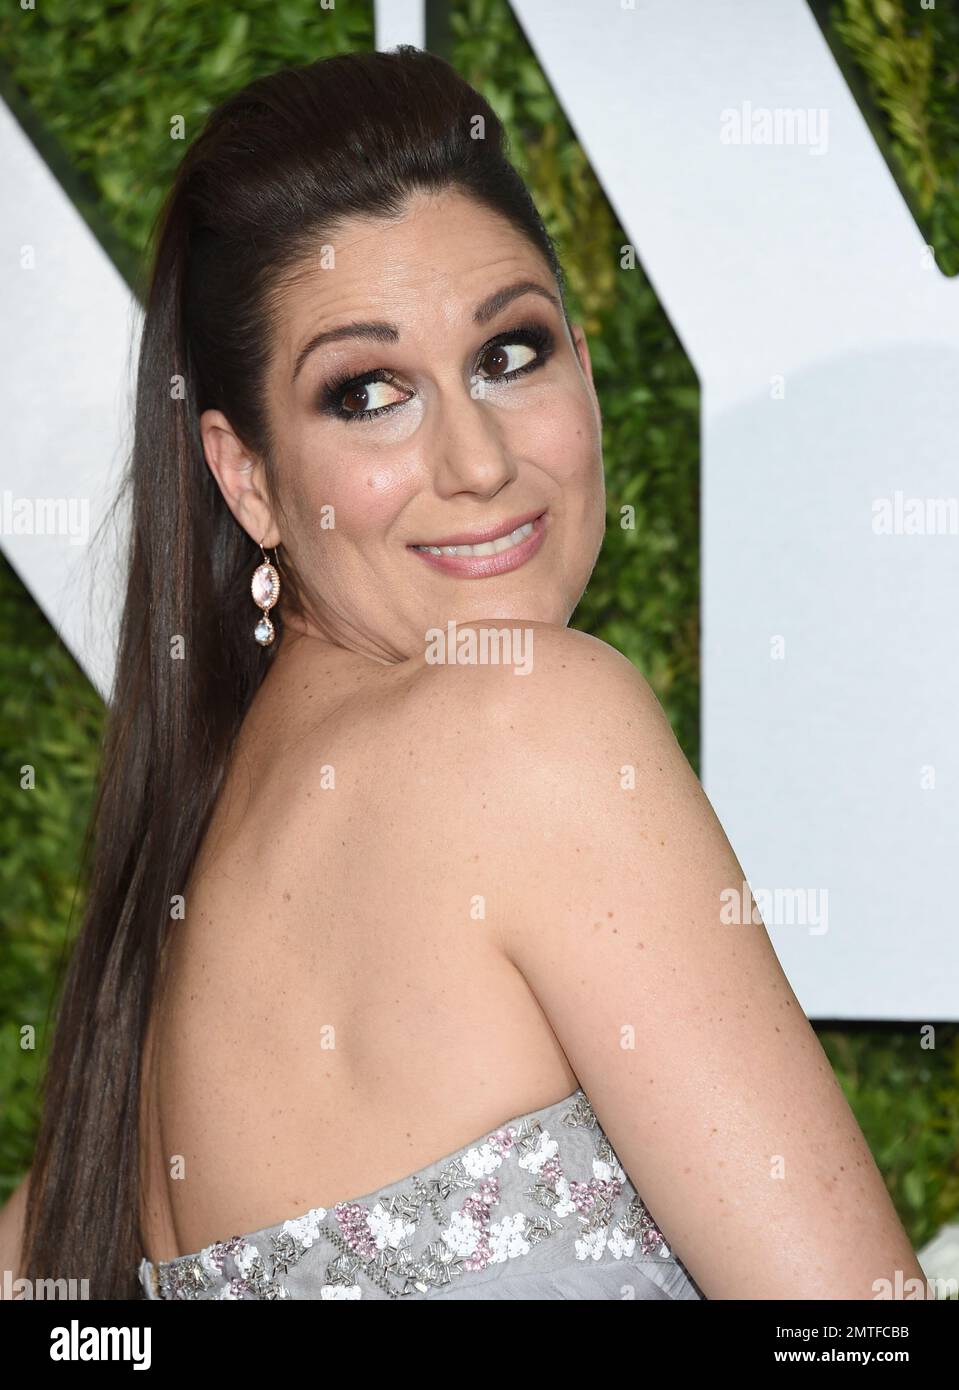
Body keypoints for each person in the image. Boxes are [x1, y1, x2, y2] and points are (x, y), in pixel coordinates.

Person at [1, 46, 925, 1301]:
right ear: (247, 476)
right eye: (369, 391)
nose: (477, 460)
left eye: (507, 353)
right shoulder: (532, 720)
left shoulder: (167, 952)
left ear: (584, 370)